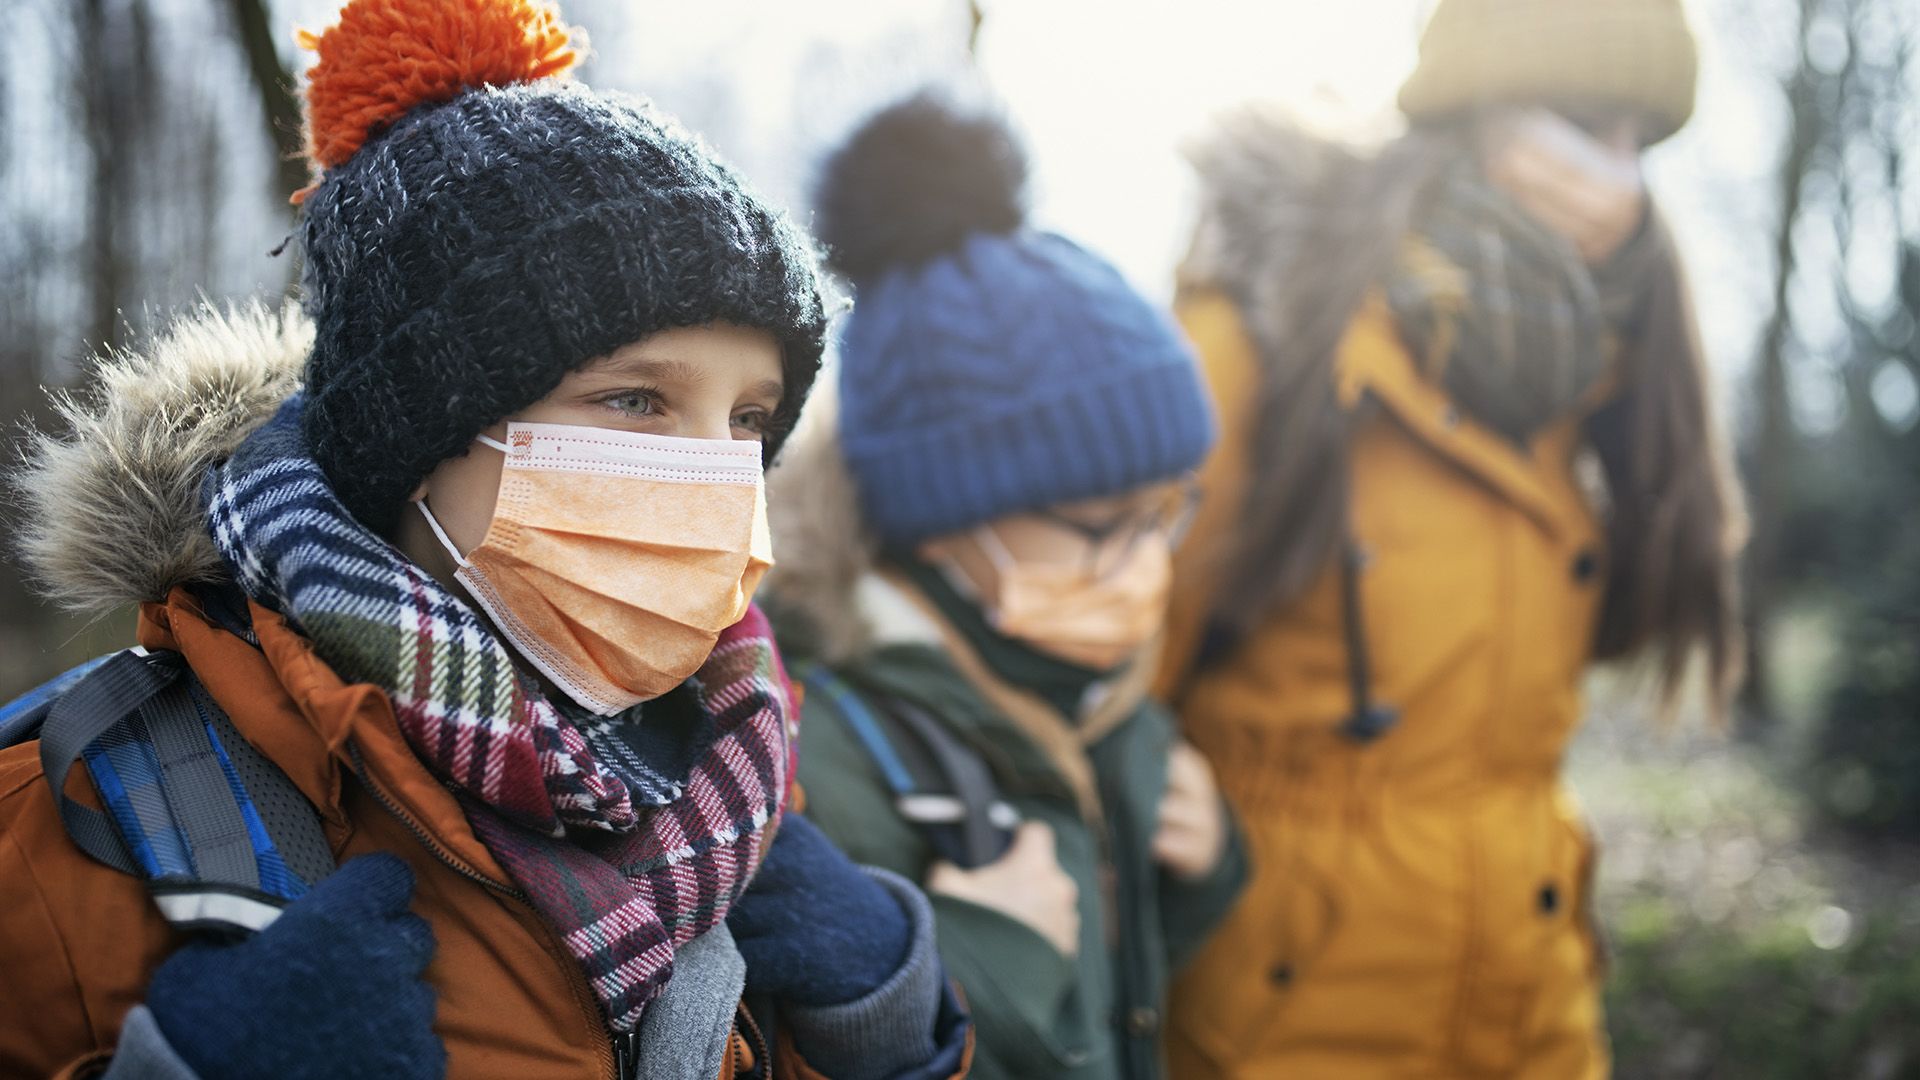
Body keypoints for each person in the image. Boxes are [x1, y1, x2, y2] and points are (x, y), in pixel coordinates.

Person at [0, 1, 970, 1077]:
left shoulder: (739, 784)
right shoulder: (64, 816)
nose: (716, 474)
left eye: (749, 420)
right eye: (638, 401)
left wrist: (889, 1033)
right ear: (413, 443)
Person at [1156, 0, 1746, 1075]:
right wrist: (1146, 778)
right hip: (1280, 1032)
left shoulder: (1601, 386)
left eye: (1641, 143)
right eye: (1581, 121)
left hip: (1535, 1018)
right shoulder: (1262, 347)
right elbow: (1087, 667)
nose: (1615, 179)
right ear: (1471, 116)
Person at [764, 95, 1249, 1080]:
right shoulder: (815, 752)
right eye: (1106, 525)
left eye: (1167, 514)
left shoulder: (1086, 686)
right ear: (946, 513)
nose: (1146, 562)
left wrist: (1199, 879)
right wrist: (982, 960)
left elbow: (1103, 1006)